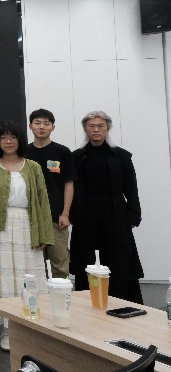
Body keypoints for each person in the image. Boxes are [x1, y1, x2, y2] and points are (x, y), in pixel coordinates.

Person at [0, 121, 54, 352]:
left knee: (27, 279)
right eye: (3, 137)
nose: (8, 141)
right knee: (5, 280)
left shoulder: (33, 167)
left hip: (28, 228)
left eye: (13, 137)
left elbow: (43, 201)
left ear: (20, 140)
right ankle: (8, 330)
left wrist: (44, 233)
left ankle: (31, 327)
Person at [70, 111, 144, 304]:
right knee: (87, 261)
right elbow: (70, 189)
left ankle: (121, 303)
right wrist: (71, 214)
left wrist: (133, 215)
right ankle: (87, 303)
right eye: (91, 126)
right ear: (85, 129)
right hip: (86, 218)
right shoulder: (77, 157)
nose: (96, 130)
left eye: (100, 126)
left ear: (107, 128)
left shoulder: (121, 156)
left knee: (118, 261)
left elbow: (131, 188)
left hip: (115, 217)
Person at [27, 109, 75, 279]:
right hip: (31, 219)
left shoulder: (62, 152)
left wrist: (66, 214)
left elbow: (69, 183)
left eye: (46, 124)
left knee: (60, 265)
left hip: (57, 217)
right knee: (35, 267)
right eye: (37, 123)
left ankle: (63, 296)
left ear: (53, 127)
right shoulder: (24, 153)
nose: (42, 127)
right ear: (30, 126)